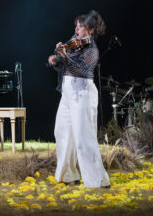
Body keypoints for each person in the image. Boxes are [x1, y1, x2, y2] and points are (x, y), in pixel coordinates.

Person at [50, 10, 111, 189]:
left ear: (90, 30)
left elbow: (81, 68)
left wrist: (65, 55)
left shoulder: (92, 49)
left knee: (84, 138)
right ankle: (68, 175)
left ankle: (97, 180)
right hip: (68, 92)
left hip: (82, 93)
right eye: (76, 26)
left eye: (81, 26)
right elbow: (64, 61)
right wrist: (57, 58)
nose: (77, 29)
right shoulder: (74, 43)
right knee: (62, 132)